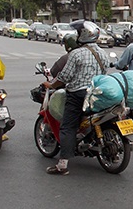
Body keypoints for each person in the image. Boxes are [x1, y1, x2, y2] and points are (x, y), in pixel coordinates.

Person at [42, 20, 109, 175]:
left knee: (67, 127)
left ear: (83, 35)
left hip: (77, 94)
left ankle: (62, 165)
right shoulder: (103, 53)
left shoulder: (76, 53)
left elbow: (64, 77)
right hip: (97, 93)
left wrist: (51, 85)